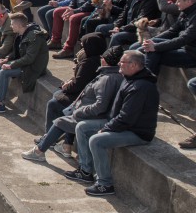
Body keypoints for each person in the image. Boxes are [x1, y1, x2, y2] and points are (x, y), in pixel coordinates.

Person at [67, 50, 159, 197]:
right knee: (82, 127)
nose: (119, 64)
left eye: (122, 62)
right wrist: (107, 124)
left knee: (97, 140)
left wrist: (106, 128)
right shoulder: (130, 78)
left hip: (137, 131)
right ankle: (85, 171)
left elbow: (127, 118)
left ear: (134, 65)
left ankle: (105, 184)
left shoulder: (140, 87)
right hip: (121, 123)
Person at [0, 12, 48, 114]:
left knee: (4, 72)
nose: (11, 26)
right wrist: (7, 59)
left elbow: (29, 58)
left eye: (12, 24)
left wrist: (11, 65)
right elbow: (17, 52)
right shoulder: (22, 33)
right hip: (25, 63)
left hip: (32, 67)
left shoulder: (34, 37)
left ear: (19, 25)